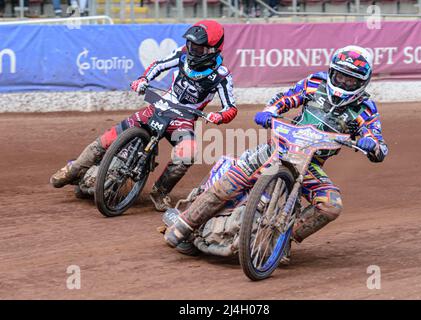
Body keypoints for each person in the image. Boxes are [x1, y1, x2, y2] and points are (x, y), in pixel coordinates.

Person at [163, 45, 388, 258]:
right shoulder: (315, 82)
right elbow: (286, 97)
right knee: (235, 176)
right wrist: (270, 111)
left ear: (362, 82)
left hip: (310, 165)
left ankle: (281, 241)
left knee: (331, 205)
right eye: (340, 76)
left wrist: (372, 145)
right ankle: (185, 224)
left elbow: (376, 139)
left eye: (351, 79)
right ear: (332, 72)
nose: (344, 81)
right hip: (278, 148)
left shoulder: (365, 108)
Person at [50, 20, 238, 212]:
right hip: (160, 105)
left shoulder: (221, 76)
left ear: (212, 50)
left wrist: (219, 116)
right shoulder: (182, 54)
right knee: (110, 137)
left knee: (188, 153)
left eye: (198, 48)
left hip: (184, 118)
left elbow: (231, 108)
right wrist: (143, 79)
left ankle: (160, 192)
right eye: (191, 45)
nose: (192, 50)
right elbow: (158, 65)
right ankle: (74, 169)